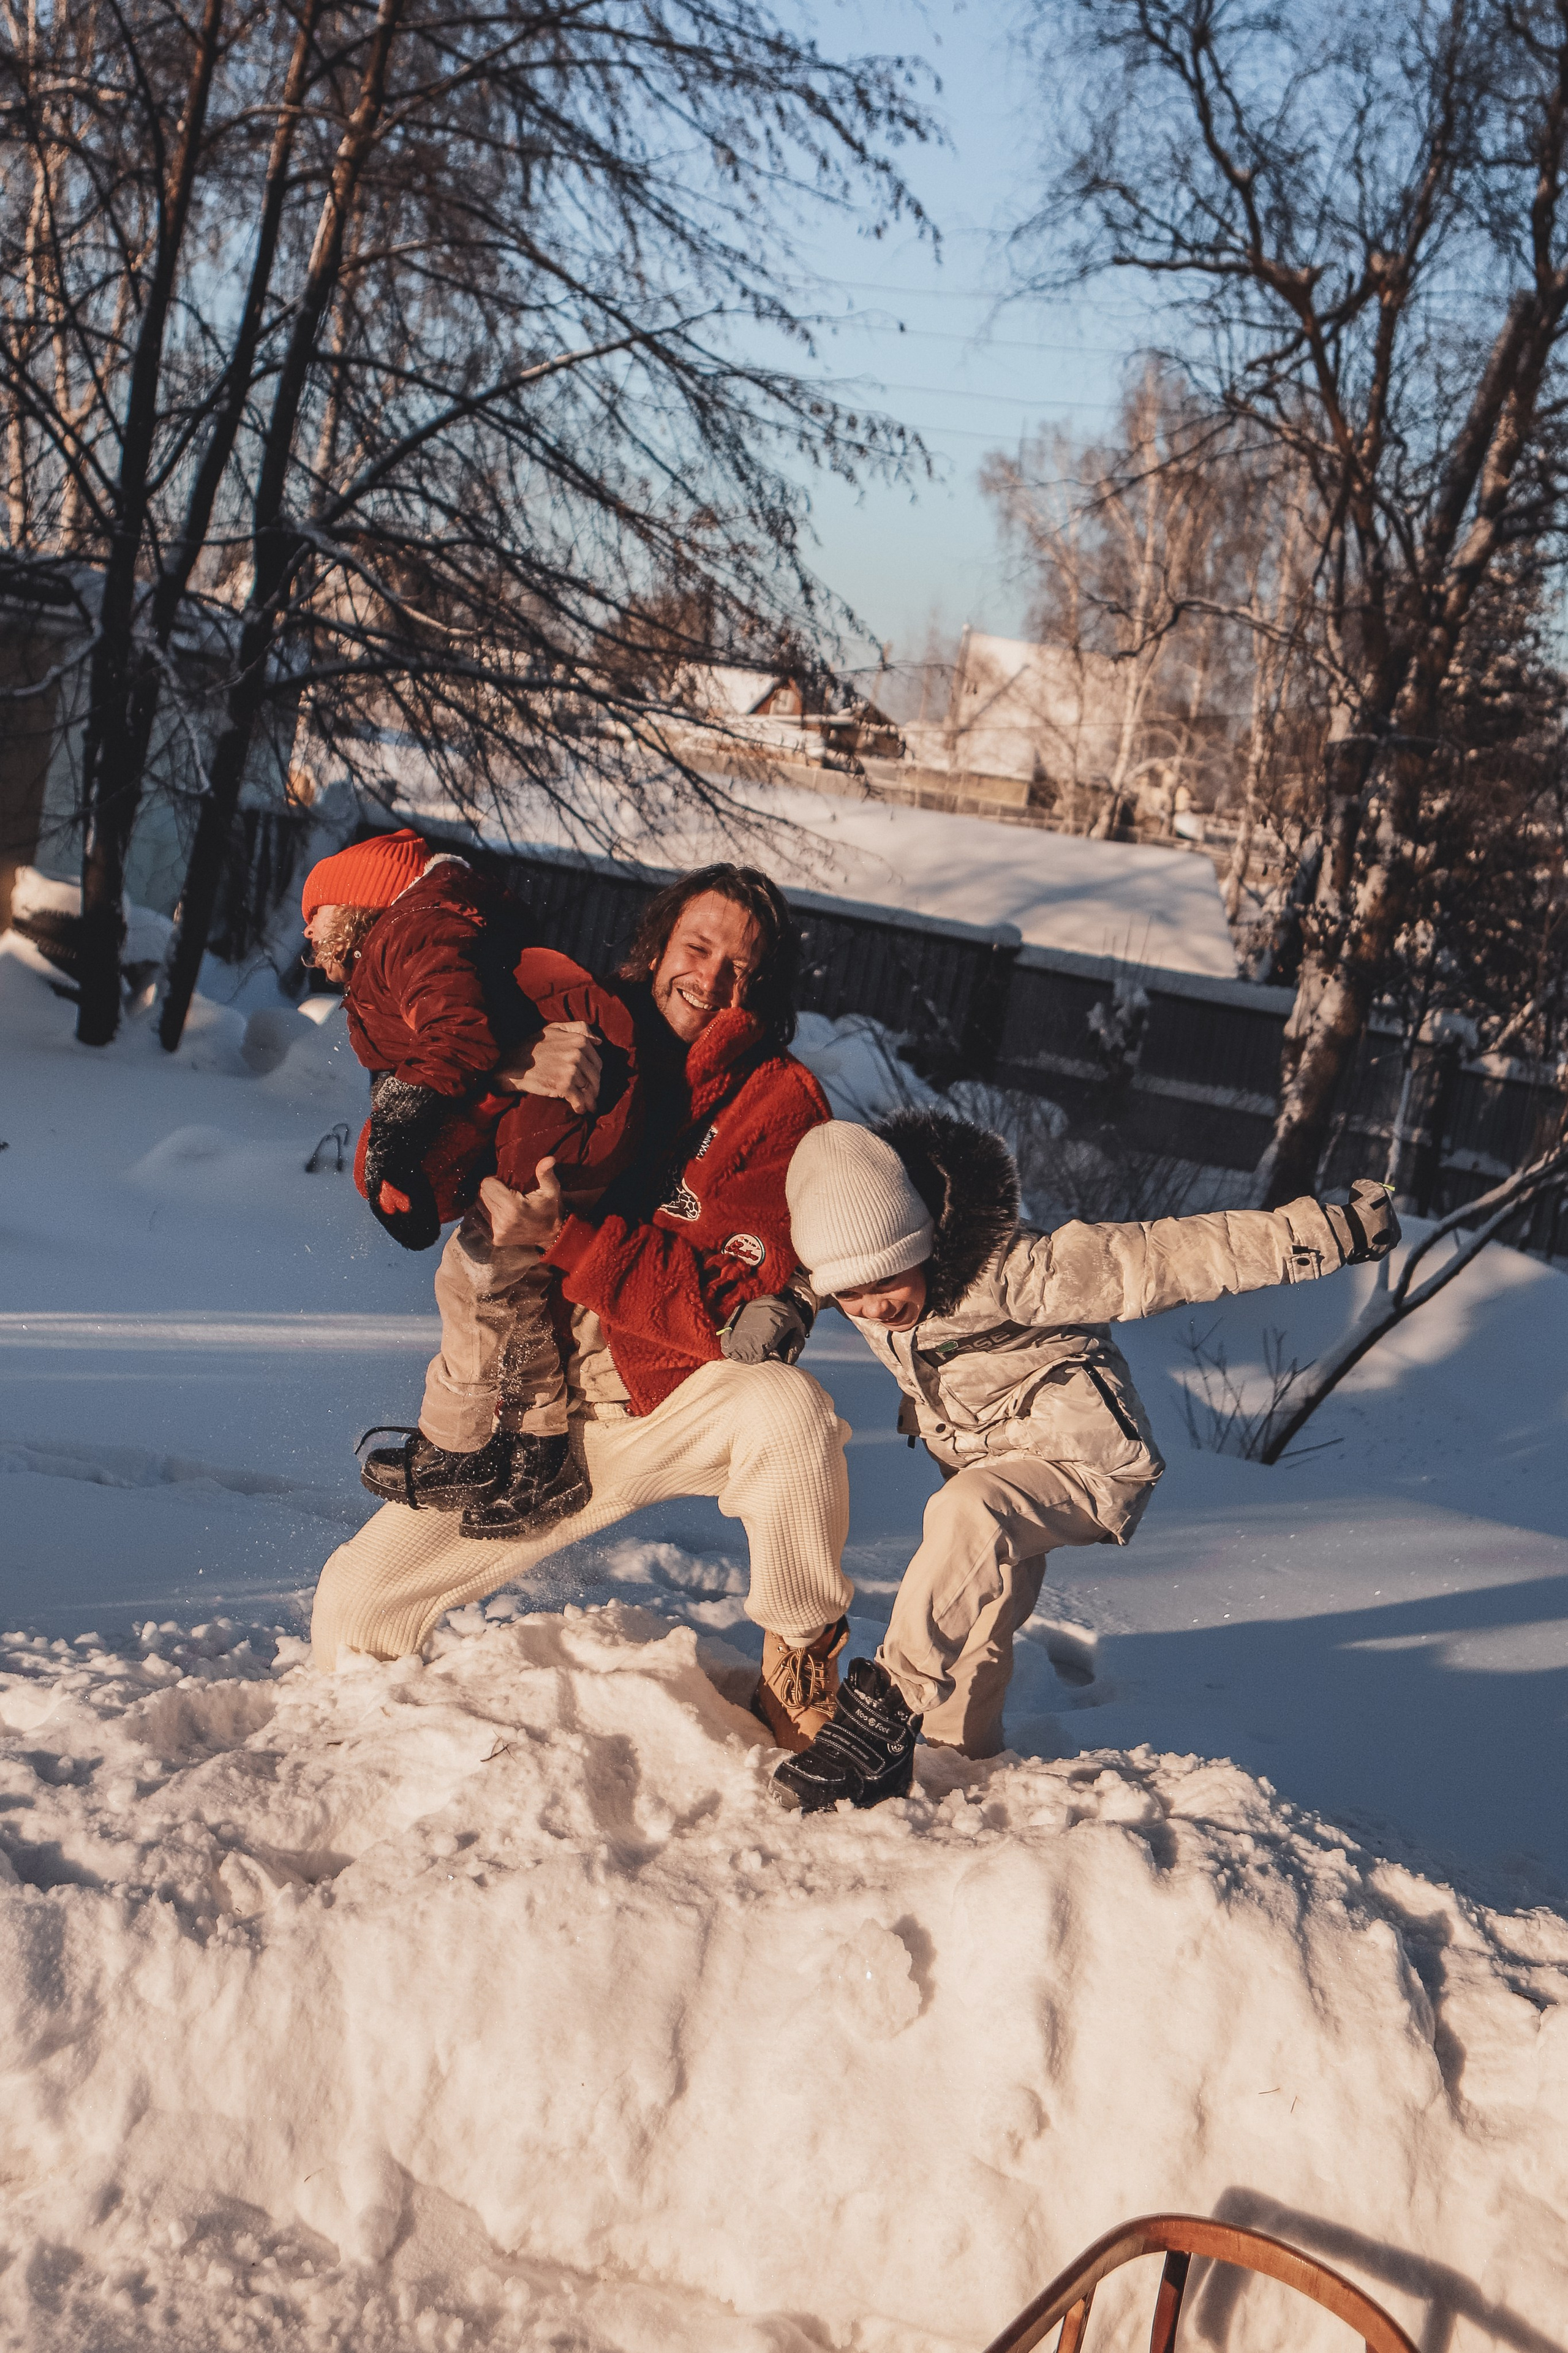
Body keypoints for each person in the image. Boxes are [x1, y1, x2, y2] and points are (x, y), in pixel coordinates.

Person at [311, 863, 854, 1749]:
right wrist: (501, 1065)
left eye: (740, 969)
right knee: (353, 1605)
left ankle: (801, 1656)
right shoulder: (582, 1019)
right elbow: (418, 1174)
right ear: (659, 944)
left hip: (671, 1401)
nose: (710, 980)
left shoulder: (781, 1105)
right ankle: (376, 1775)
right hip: (538, 1424)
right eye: (697, 947)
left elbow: (731, 1307)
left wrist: (574, 1241)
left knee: (792, 1416)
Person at [772, 1111, 1401, 1813]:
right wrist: (792, 1303)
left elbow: (1166, 1255)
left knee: (966, 1515)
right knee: (976, 1623)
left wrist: (1321, 1233)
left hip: (1084, 1466)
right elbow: (824, 1264)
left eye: (882, 1281)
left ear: (921, 1238)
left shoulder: (1019, 1272)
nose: (871, 1307)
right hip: (988, 1467)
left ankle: (879, 1715)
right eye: (847, 1295)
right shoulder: (860, 1276)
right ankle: (952, 1776)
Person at [299, 828, 643, 1534]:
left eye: (318, 911)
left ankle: (469, 1449)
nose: (308, 932)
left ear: (363, 902)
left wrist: (402, 1123)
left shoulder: (406, 938)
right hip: (541, 1128)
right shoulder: (431, 932)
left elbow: (457, 1040)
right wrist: (408, 1167)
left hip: (553, 1130)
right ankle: (532, 1448)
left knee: (476, 1276)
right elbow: (464, 1064)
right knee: (497, 1279)